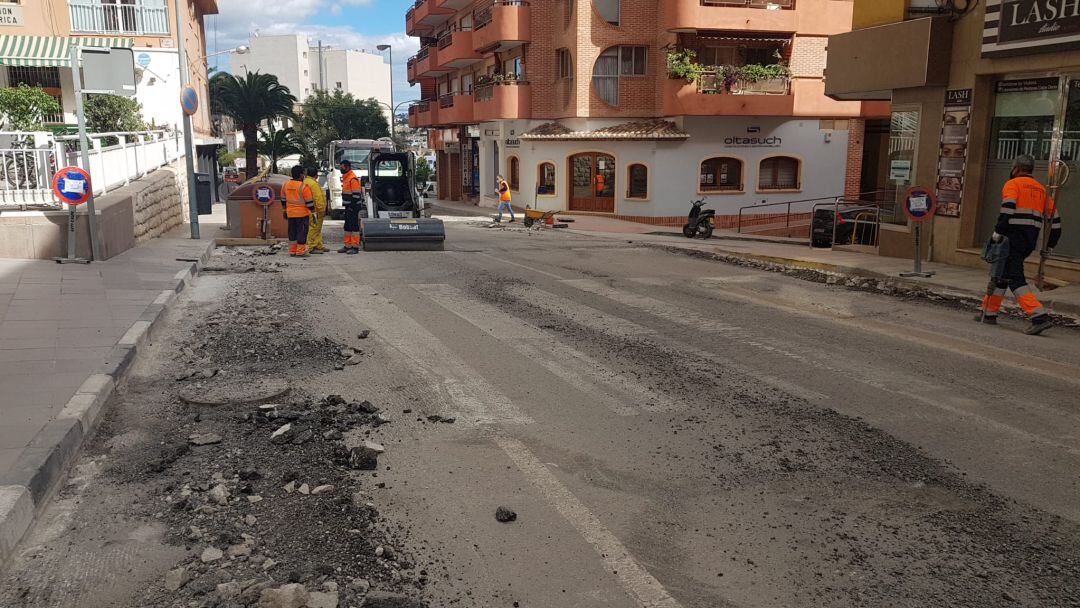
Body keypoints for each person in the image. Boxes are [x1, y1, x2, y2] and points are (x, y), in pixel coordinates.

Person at [977, 154, 1062, 335]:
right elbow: (1055, 224)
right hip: (1028, 241)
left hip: (1011, 237)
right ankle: (988, 312)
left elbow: (1007, 209)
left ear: (1015, 168)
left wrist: (997, 233)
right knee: (1002, 273)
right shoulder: (1042, 190)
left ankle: (1039, 316)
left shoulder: (1012, 184)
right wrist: (1050, 247)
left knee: (1014, 277)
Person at [280, 165, 315, 257]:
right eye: (303, 174)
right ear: (300, 175)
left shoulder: (285, 185)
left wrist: (284, 210)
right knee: (302, 232)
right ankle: (300, 251)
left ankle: (292, 251)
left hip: (290, 214)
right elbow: (310, 203)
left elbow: (283, 200)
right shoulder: (304, 187)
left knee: (292, 232)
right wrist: (313, 212)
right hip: (302, 214)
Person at [339, 159, 364, 254]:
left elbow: (356, 195)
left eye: (342, 167)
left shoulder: (352, 178)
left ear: (347, 167)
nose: (341, 169)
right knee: (347, 226)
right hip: (348, 207)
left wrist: (351, 206)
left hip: (353, 207)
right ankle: (347, 245)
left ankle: (355, 246)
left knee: (354, 227)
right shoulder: (346, 178)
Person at [305, 166, 328, 253]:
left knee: (317, 228)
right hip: (316, 210)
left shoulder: (306, 182)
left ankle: (318, 245)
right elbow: (318, 197)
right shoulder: (313, 184)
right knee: (314, 228)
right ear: (316, 175)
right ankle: (312, 247)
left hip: (310, 209)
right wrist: (321, 210)